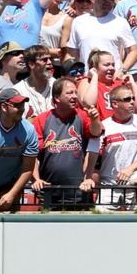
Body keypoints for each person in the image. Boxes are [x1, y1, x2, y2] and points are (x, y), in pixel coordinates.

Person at [31, 77, 101, 210]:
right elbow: (32, 154)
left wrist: (95, 119)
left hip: (81, 190)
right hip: (49, 191)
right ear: (57, 98)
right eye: (69, 93)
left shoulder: (83, 116)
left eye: (75, 92)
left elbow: (96, 134)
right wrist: (36, 179)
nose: (75, 96)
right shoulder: (42, 120)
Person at [84, 82, 137, 208]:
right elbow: (92, 153)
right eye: (127, 99)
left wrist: (130, 169)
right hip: (109, 186)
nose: (132, 102)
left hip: (135, 184)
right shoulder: (103, 125)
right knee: (102, 223)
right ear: (115, 104)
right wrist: (88, 177)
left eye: (133, 98)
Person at [0, 87, 38, 210]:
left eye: (23, 105)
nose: (22, 109)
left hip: (9, 185)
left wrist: (11, 193)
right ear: (4, 107)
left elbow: (27, 169)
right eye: (17, 105)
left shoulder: (28, 131)